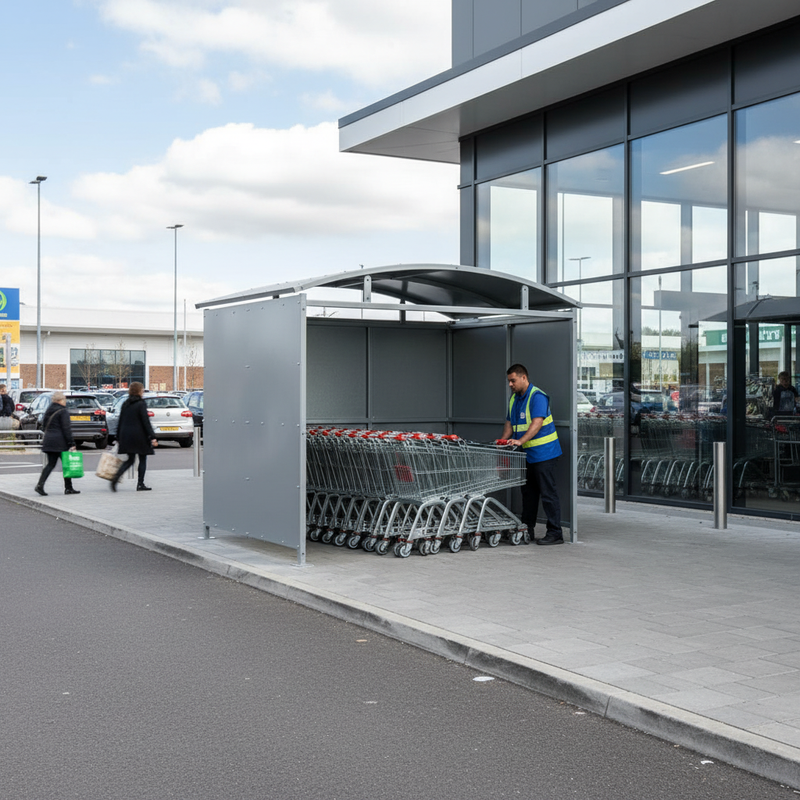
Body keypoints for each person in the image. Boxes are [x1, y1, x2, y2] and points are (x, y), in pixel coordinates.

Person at [502, 364, 563, 545]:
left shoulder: (537, 396)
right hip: (527, 455)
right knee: (528, 494)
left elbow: (537, 423)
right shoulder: (514, 399)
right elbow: (509, 423)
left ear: (523, 378)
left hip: (544, 453)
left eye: (513, 381)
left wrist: (520, 441)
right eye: (509, 382)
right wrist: (502, 442)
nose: (510, 384)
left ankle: (555, 533)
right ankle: (527, 529)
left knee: (547, 493)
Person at [111, 382, 158, 491]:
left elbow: (120, 421)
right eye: (142, 390)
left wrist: (118, 437)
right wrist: (152, 436)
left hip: (126, 436)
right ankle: (140, 483)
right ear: (139, 391)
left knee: (130, 459)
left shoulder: (125, 403)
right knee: (142, 458)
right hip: (140, 436)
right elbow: (145, 422)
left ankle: (116, 477)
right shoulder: (141, 404)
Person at [35, 391, 80, 496]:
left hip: (49, 441)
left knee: (50, 464)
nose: (65, 402)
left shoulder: (49, 410)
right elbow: (66, 428)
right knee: (66, 465)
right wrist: (71, 443)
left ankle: (40, 485)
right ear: (60, 400)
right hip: (60, 442)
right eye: (64, 399)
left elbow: (44, 425)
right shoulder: (63, 411)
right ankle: (68, 488)